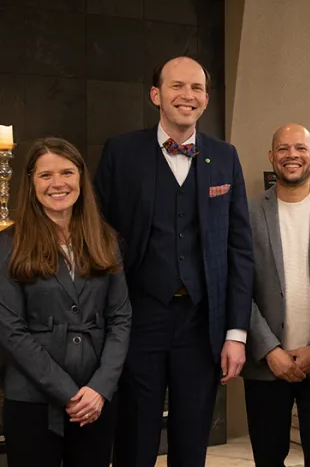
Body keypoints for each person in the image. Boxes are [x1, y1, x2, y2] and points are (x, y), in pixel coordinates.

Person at [94, 55, 254, 467]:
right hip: (138, 315)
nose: (188, 95)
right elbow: (97, 236)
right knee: (135, 435)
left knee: (192, 436)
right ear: (155, 95)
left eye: (197, 88)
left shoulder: (225, 156)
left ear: (206, 98)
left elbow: (239, 249)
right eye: (177, 86)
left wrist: (236, 332)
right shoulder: (121, 151)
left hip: (202, 322)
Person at [0, 137, 131, 467]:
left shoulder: (106, 239)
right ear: (31, 183)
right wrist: (69, 394)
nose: (57, 183)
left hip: (96, 400)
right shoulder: (8, 245)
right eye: (45, 175)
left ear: (81, 179)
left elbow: (120, 318)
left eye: (67, 172)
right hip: (32, 400)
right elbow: (11, 331)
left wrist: (100, 388)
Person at [241, 123, 310, 467]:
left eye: (301, 148)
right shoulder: (244, 214)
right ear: (272, 156)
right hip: (265, 363)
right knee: (267, 457)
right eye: (284, 148)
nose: (292, 155)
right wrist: (269, 349)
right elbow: (235, 286)